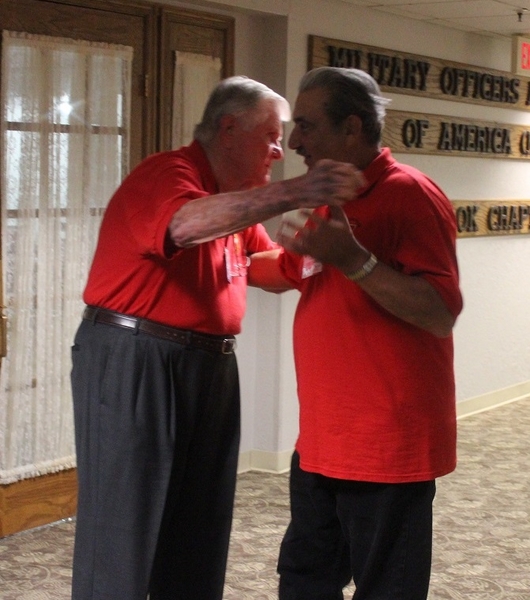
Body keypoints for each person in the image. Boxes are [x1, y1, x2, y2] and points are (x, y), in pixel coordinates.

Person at [70, 75, 362, 600]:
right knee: (126, 529)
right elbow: (184, 227)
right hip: (138, 360)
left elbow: (261, 265)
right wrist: (296, 191)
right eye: (273, 136)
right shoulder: (168, 175)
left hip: (208, 367)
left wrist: (328, 256)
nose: (280, 149)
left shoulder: (233, 200)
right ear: (229, 129)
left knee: (200, 527)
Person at [248, 67, 464, 600]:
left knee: (386, 587)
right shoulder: (334, 198)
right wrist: (225, 248)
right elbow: (289, 272)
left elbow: (439, 310)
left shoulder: (410, 194)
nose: (294, 141)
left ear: (351, 128)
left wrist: (354, 260)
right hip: (323, 441)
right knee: (304, 580)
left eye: (307, 125)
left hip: (386, 447)